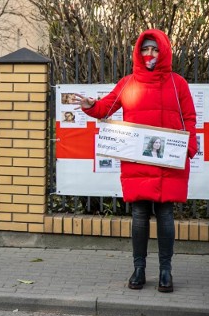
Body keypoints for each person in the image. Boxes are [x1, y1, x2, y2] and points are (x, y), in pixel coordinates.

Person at [71, 30, 197, 293]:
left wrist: (190, 147)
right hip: (136, 161)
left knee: (164, 214)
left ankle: (165, 271)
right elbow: (105, 107)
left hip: (167, 162)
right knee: (139, 215)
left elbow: (190, 119)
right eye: (145, 50)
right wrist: (89, 105)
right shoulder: (128, 83)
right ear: (138, 53)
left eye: (154, 50)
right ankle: (139, 269)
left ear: (163, 52)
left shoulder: (178, 84)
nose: (149, 55)